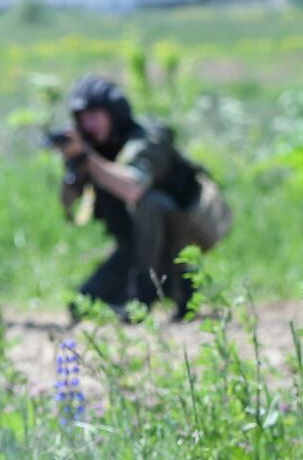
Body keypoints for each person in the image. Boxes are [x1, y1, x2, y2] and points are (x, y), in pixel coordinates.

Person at [53, 75, 232, 319]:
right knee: (81, 305)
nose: (88, 124)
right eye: (83, 119)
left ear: (113, 113)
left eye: (94, 116)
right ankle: (152, 292)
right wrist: (74, 165)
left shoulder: (147, 137)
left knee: (150, 203)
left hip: (180, 240)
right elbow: (68, 203)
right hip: (133, 251)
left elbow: (133, 188)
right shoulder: (95, 150)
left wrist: (88, 158)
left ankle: (148, 296)